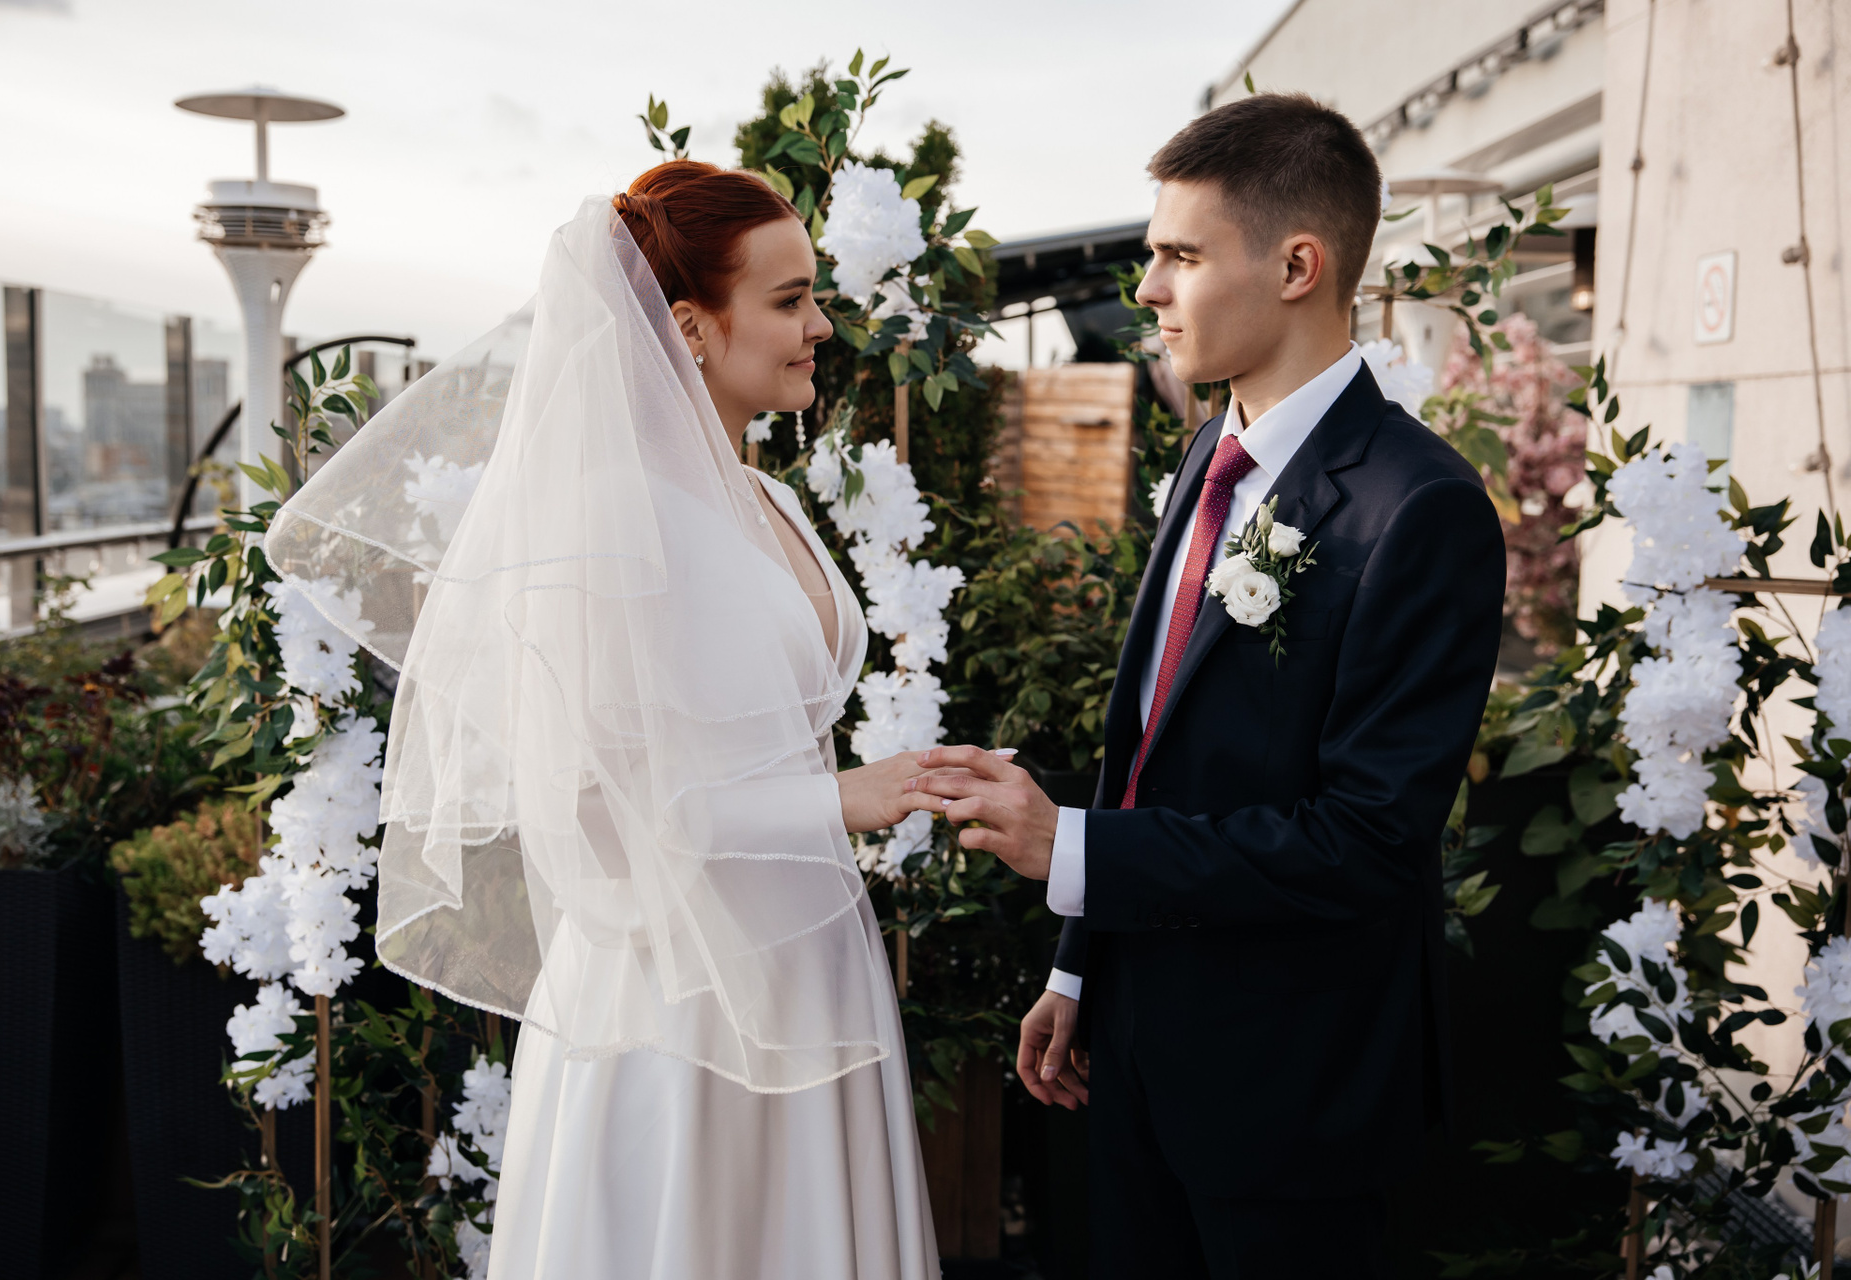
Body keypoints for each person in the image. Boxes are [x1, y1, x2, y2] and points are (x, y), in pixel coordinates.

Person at [266, 160, 939, 1279]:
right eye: (789, 300)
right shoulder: (603, 530)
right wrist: (842, 800)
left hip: (812, 958)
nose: (821, 326)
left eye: (815, 295)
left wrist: (881, 786)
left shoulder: (764, 496)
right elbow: (610, 811)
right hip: (677, 1002)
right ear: (689, 326)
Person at [902, 93, 1507, 1277]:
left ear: (1297, 265)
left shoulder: (1420, 507)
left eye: (1180, 255)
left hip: (1292, 1090)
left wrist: (1070, 847)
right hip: (1129, 1055)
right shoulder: (1206, 456)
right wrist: (1080, 961)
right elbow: (1148, 748)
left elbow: (1365, 840)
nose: (1148, 288)